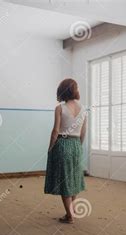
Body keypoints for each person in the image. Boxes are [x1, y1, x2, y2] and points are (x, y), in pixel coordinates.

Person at [44, 78, 87, 224]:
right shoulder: (83, 109)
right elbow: (83, 133)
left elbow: (55, 131)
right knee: (73, 180)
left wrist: (50, 147)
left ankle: (70, 215)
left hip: (62, 143)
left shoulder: (60, 108)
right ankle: (70, 212)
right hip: (76, 145)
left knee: (64, 181)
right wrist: (78, 147)